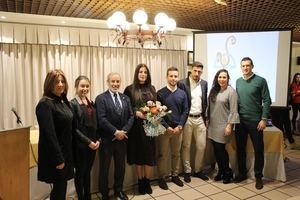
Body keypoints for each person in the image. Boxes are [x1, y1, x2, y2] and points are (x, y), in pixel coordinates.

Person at [35, 69, 74, 200]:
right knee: (59, 190)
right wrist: (59, 158)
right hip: (56, 156)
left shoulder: (62, 101)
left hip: (66, 152)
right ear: (49, 84)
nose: (60, 84)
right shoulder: (45, 104)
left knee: (61, 188)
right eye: (56, 81)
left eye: (62, 81)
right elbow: (49, 134)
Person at [95, 72, 134, 200]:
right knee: (104, 169)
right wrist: (115, 132)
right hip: (107, 140)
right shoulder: (100, 98)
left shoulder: (125, 98)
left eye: (118, 81)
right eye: (113, 81)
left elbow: (131, 116)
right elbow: (101, 119)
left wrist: (123, 131)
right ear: (107, 82)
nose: (115, 84)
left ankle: (119, 190)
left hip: (123, 140)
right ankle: (104, 193)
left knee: (120, 167)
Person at [234, 57, 271, 190]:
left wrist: (264, 119)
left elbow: (267, 100)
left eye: (248, 65)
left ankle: (259, 177)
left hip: (256, 121)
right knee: (241, 149)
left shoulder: (260, 81)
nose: (245, 68)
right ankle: (242, 173)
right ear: (241, 67)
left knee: (258, 150)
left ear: (252, 66)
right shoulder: (238, 81)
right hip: (240, 121)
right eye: (243, 66)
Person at [124, 64, 157, 194]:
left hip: (151, 127)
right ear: (136, 74)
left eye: (145, 72)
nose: (143, 74)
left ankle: (147, 182)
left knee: (149, 157)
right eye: (140, 72)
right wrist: (135, 112)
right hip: (136, 129)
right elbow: (126, 108)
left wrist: (156, 109)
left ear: (148, 75)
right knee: (139, 157)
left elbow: (155, 106)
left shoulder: (152, 88)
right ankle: (140, 182)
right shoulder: (129, 89)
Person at [156, 66, 189, 190]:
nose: (173, 78)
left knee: (176, 154)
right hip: (164, 129)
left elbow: (185, 111)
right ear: (167, 77)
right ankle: (161, 178)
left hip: (178, 130)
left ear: (178, 77)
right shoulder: (160, 93)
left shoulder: (182, 93)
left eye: (175, 76)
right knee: (162, 155)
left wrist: (180, 125)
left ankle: (175, 175)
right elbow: (157, 113)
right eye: (171, 76)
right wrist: (166, 126)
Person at [178, 61, 209, 182]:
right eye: (195, 71)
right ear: (191, 69)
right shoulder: (182, 83)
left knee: (202, 146)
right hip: (187, 119)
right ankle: (187, 171)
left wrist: (206, 118)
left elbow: (204, 102)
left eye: (199, 71)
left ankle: (197, 170)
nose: (197, 73)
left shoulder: (204, 84)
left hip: (200, 118)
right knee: (186, 146)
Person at [207, 69, 239, 184]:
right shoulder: (214, 90)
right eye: (220, 77)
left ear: (228, 79)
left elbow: (234, 111)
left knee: (221, 150)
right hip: (212, 125)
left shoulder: (231, 92)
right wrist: (207, 120)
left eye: (224, 77)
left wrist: (229, 126)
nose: (222, 79)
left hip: (223, 125)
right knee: (216, 150)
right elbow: (210, 108)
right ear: (217, 78)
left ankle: (227, 172)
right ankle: (220, 171)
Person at [70, 75, 100, 200]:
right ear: (76, 87)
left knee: (87, 172)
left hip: (93, 145)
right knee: (80, 173)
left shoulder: (91, 103)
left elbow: (96, 124)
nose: (85, 88)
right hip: (80, 146)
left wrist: (98, 140)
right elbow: (74, 129)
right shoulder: (72, 104)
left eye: (87, 86)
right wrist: (88, 142)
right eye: (82, 86)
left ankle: (88, 196)